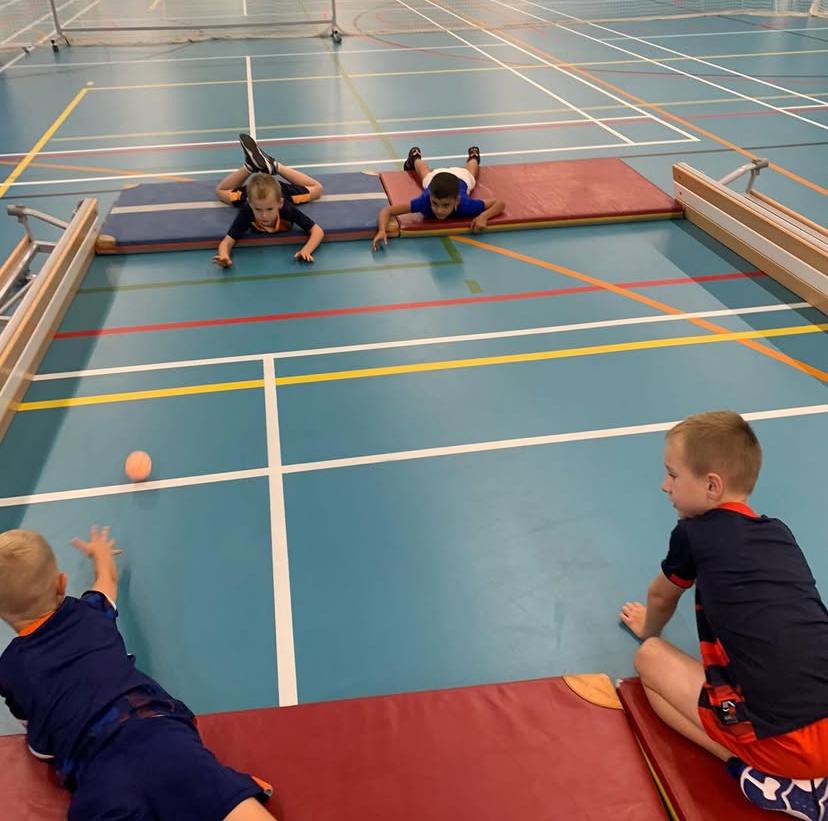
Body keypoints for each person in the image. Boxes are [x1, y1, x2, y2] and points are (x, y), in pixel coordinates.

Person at [620, 411, 828, 820]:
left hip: (791, 747)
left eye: (673, 476)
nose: (665, 486)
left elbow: (661, 596)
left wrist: (649, 629)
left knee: (650, 660)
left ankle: (769, 778)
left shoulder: (693, 534)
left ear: (712, 486)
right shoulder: (779, 532)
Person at [0, 527, 276, 821]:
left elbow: (41, 748)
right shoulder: (89, 612)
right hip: (157, 732)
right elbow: (107, 580)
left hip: (99, 774)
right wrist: (101, 554)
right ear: (61, 583)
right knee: (208, 788)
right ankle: (225, 790)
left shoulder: (9, 670)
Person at [214, 134, 325, 266]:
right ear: (250, 204)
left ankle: (275, 166)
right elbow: (227, 242)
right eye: (258, 210)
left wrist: (306, 250)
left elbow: (317, 231)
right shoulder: (248, 209)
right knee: (220, 192)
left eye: (270, 209)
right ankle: (249, 167)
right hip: (251, 193)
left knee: (317, 189)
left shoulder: (286, 207)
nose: (264, 215)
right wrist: (224, 256)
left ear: (280, 204)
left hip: (282, 192)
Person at [372, 145, 504, 251]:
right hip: (435, 178)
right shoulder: (424, 202)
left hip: (461, 178)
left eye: (445, 205)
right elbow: (387, 211)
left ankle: (473, 157)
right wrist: (382, 230)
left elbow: (500, 203)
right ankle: (415, 157)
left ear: (456, 201)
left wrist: (483, 217)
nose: (439, 210)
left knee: (470, 173)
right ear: (430, 197)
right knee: (424, 174)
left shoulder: (465, 204)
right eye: (435, 204)